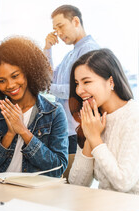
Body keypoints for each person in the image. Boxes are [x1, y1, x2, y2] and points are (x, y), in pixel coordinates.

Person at [0, 37, 68, 177]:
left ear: (28, 71)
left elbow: (57, 168)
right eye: (1, 81)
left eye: (15, 76)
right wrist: (9, 134)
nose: (10, 85)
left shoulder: (53, 113)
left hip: (34, 193)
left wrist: (23, 131)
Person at [68, 49, 139, 194]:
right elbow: (77, 184)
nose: (79, 90)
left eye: (86, 81)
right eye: (77, 83)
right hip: (103, 207)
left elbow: (123, 182)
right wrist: (89, 137)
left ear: (111, 81)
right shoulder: (92, 120)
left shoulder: (134, 116)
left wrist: (95, 139)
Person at [44, 5, 100, 154]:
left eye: (61, 26)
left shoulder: (89, 50)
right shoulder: (70, 55)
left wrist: (46, 87)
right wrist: (48, 48)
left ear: (75, 21)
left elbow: (78, 90)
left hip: (77, 129)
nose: (59, 33)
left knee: (74, 176)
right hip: (66, 129)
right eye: (56, 29)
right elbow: (50, 78)